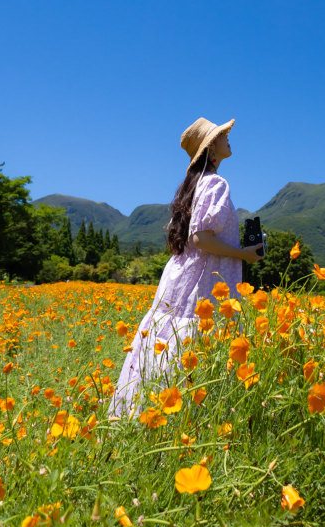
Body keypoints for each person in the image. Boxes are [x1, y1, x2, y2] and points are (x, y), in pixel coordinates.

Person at [110, 117, 262, 416]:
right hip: (204, 282)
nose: (228, 137)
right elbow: (201, 237)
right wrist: (242, 254)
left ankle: (148, 413)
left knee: (169, 341)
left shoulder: (193, 185)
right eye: (222, 135)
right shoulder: (216, 183)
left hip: (181, 277)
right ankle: (190, 419)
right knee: (194, 346)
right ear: (211, 150)